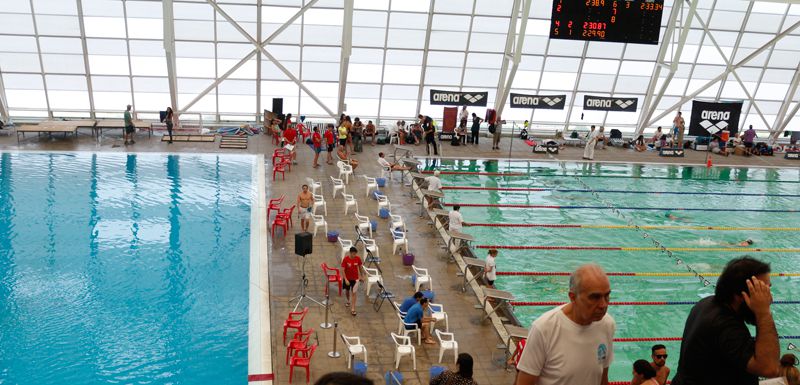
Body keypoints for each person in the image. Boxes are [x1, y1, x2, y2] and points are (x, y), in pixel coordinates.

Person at [671, 256, 780, 385]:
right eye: (762, 291)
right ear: (741, 295)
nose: (769, 299)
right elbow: (769, 368)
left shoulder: (707, 303)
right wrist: (763, 313)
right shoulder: (723, 326)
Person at [515, 264, 615, 385]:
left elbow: (602, 378)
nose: (603, 305)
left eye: (607, 295)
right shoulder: (544, 328)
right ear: (573, 297)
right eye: (595, 297)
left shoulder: (607, 325)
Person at [341, 247, 363, 316]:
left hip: (355, 279)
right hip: (347, 279)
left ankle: (353, 308)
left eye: (355, 254)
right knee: (347, 291)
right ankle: (348, 301)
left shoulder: (358, 258)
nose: (354, 255)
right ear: (350, 253)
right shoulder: (345, 260)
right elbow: (342, 270)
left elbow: (360, 267)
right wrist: (346, 279)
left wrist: (361, 276)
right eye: (353, 254)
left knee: (354, 293)